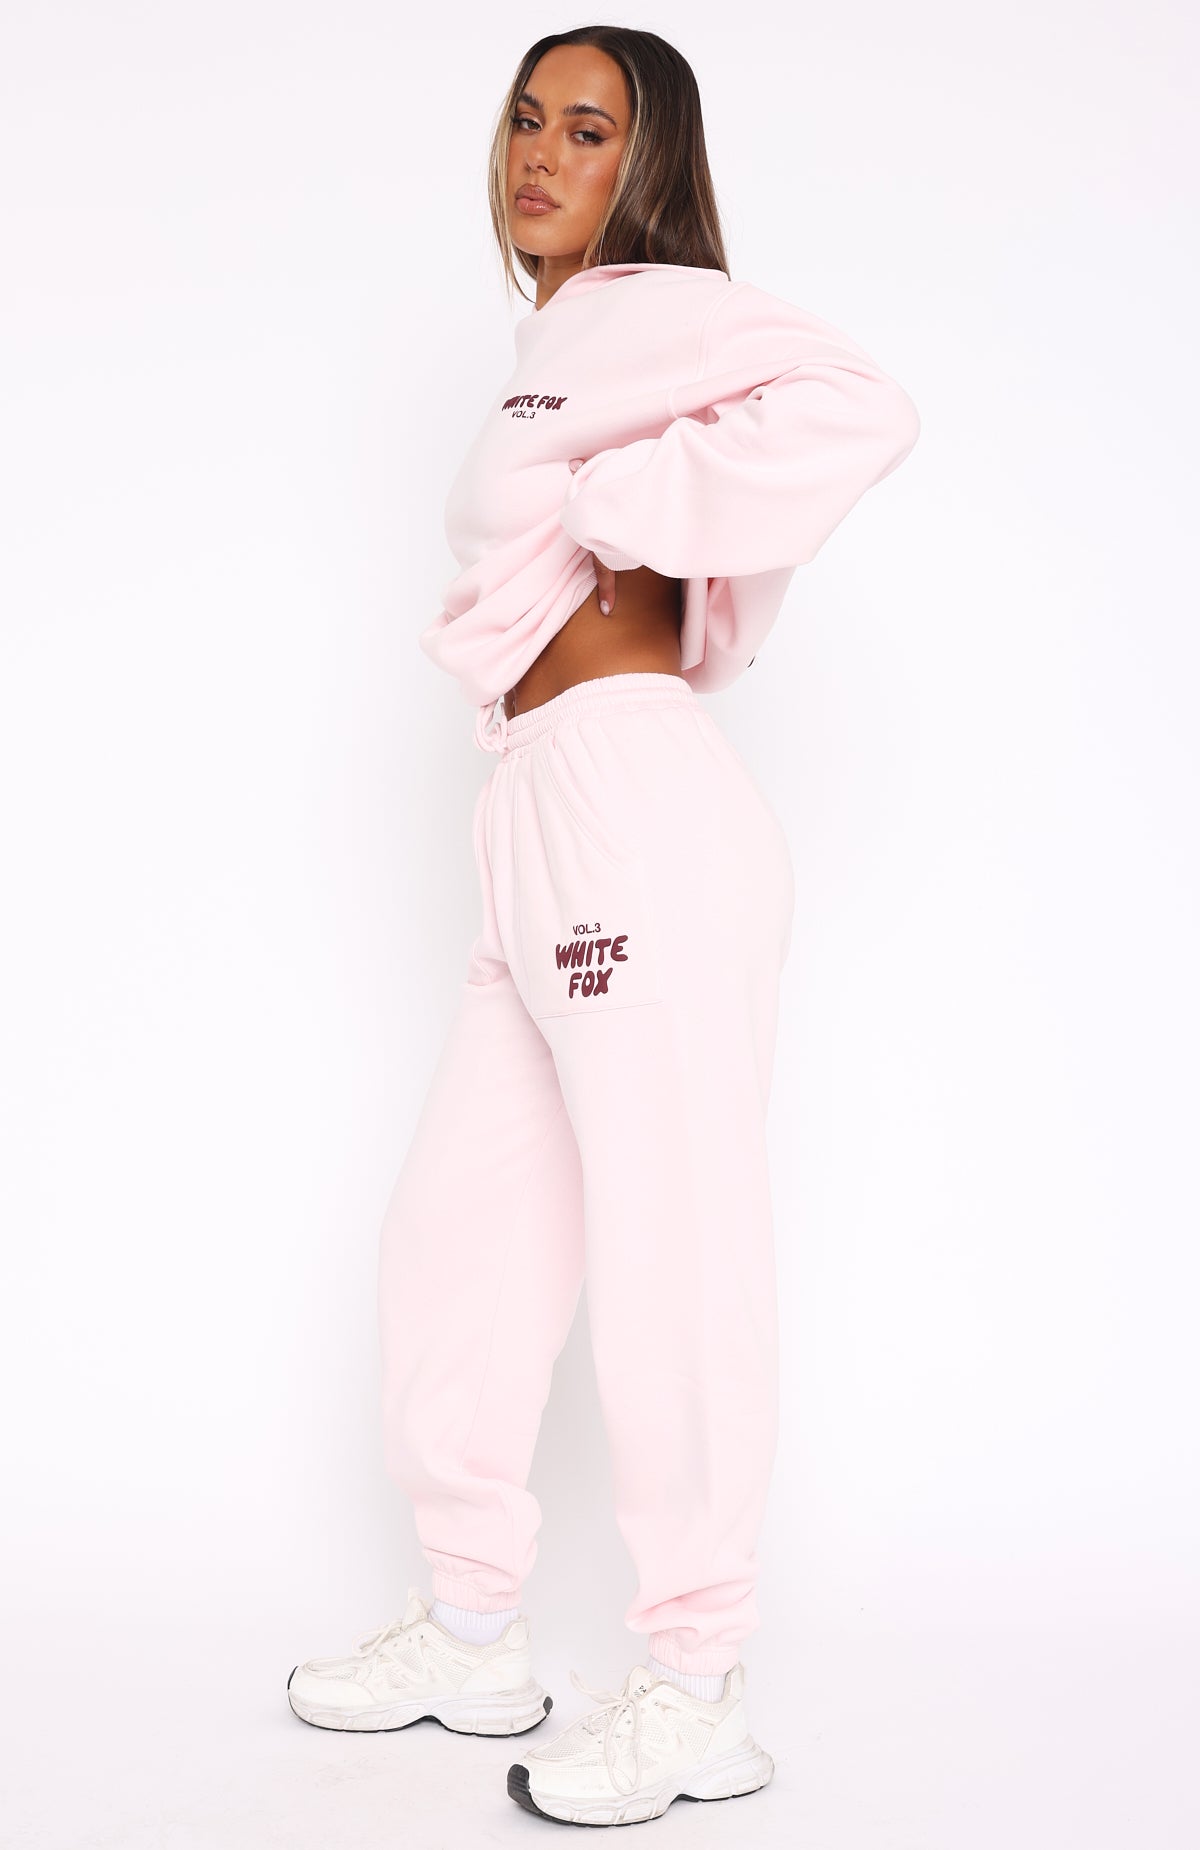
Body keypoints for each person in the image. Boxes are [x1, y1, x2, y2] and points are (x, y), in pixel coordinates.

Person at [286, 25, 920, 1829]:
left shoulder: (656, 308)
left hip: (638, 805)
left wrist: (629, 500)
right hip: (531, 805)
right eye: (525, 120)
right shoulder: (557, 344)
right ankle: (475, 1627)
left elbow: (865, 403)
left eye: (587, 128)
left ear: (645, 166)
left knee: (670, 1248)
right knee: (459, 1239)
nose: (540, 154)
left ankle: (698, 1682)